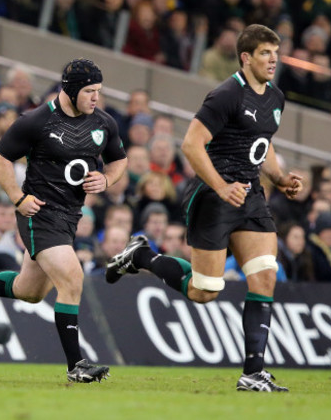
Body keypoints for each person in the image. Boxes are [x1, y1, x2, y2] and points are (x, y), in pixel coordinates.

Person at [106, 25, 302, 392]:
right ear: (245, 57)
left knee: (264, 276)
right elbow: (192, 144)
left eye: (275, 52)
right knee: (204, 290)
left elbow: (263, 142)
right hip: (215, 195)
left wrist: (278, 177)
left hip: (251, 195)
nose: (273, 59)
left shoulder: (275, 96)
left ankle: (252, 372)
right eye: (265, 53)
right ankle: (143, 256)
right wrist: (221, 186)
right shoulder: (226, 94)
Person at [0, 58, 127, 383]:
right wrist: (18, 199)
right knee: (72, 279)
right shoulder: (36, 120)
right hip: (39, 214)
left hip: (70, 217)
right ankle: (76, 365)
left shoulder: (103, 123)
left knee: (29, 291)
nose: (96, 98)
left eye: (98, 91)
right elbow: (1, 159)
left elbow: (119, 160)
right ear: (72, 89)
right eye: (90, 91)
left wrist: (106, 180)